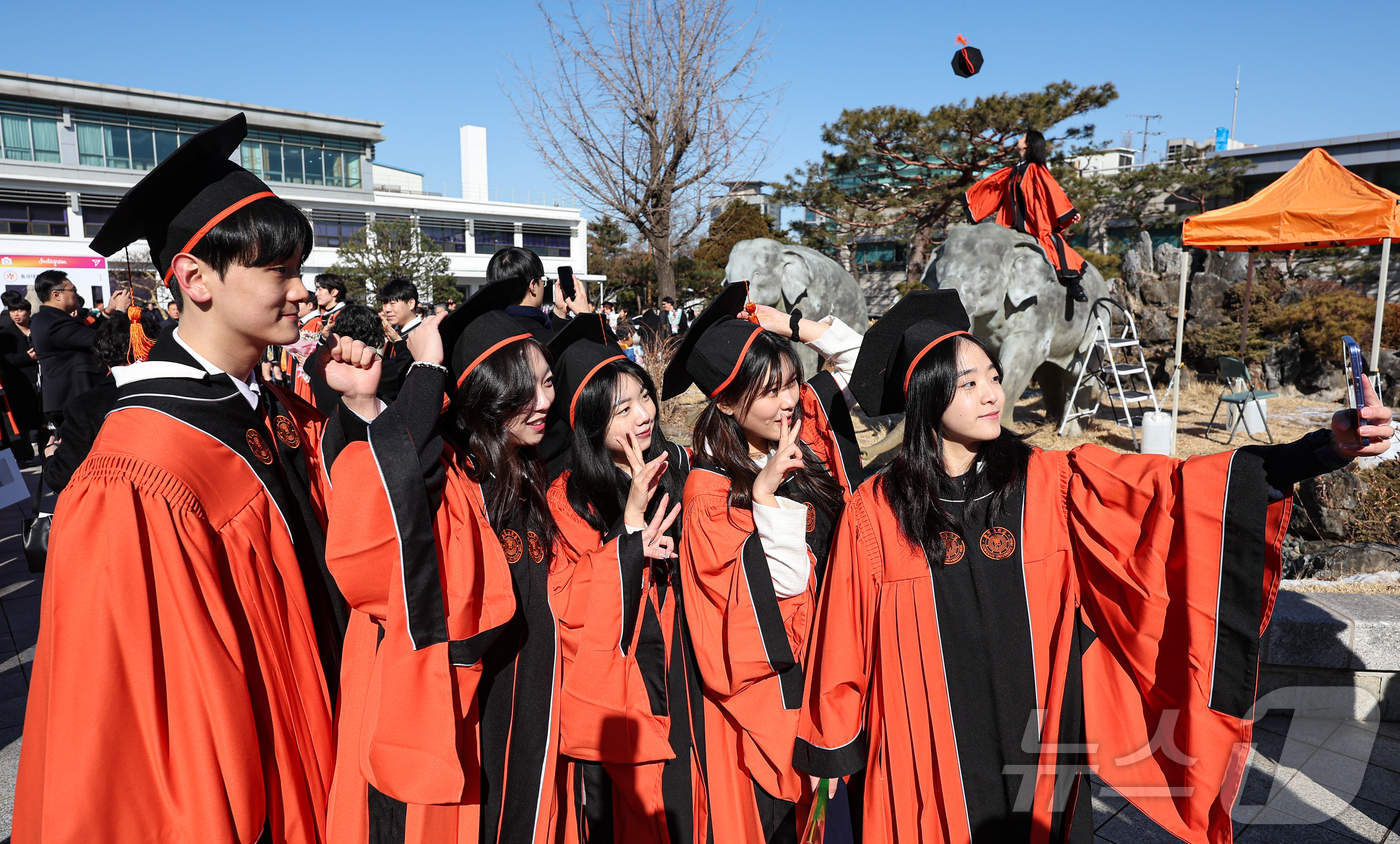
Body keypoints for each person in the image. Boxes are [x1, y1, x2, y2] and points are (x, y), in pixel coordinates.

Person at [794, 289, 1397, 844]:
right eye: (968, 382)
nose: (992, 394)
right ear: (926, 394)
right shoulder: (878, 508)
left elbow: (1176, 493)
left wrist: (1320, 450)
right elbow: (847, 630)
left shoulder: (1049, 481)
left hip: (1040, 734)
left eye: (994, 377)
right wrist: (835, 752)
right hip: (925, 744)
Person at [14, 113, 384, 844]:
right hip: (261, 783)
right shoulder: (141, 462)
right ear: (195, 279)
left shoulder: (277, 408)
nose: (302, 291)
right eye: (279, 271)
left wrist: (363, 415)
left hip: (334, 743)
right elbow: (151, 724)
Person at [324, 287, 567, 844]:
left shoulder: (524, 470)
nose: (542, 401)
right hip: (445, 711)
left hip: (517, 701)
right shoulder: (448, 480)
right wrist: (416, 376)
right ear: (483, 397)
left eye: (547, 381)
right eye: (520, 389)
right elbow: (386, 493)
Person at [660, 282, 863, 843]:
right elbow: (771, 606)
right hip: (782, 693)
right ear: (725, 403)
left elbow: (860, 362)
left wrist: (793, 330)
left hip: (833, 667)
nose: (789, 401)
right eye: (769, 391)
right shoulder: (709, 493)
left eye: (790, 383)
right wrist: (768, 500)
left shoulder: (792, 434)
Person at [543, 315, 707, 843]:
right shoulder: (568, 497)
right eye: (622, 408)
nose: (643, 415)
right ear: (590, 423)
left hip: (685, 662)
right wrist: (631, 525)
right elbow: (573, 606)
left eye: (644, 397)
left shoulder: (677, 465)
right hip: (626, 684)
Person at [42, 308, 163, 494]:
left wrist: (51, 456)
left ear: (104, 354)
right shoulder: (187, 390)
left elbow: (61, 477)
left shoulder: (85, 406)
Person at [964, 129, 1089, 302]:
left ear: (1028, 144)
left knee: (1054, 242)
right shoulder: (1010, 172)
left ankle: (1073, 283)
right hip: (1009, 225)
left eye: (1022, 137)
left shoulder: (1036, 170)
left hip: (1034, 224)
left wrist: (1069, 211)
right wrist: (974, 204)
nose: (1018, 139)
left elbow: (1053, 191)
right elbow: (992, 189)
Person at [29, 270, 131, 428]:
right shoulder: (54, 322)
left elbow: (86, 335)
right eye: (73, 290)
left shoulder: (49, 318)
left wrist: (109, 311)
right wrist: (120, 312)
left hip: (68, 398)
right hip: (71, 398)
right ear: (56, 295)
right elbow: (100, 340)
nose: (76, 295)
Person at [486, 246, 591, 341]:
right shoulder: (543, 341)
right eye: (542, 280)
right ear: (532, 286)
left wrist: (559, 314)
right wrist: (588, 318)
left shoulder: (484, 334)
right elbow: (603, 354)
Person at [0, 297, 45, 463]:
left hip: (42, 380)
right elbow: (6, 359)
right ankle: (25, 455)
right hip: (19, 383)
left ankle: (46, 452)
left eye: (20, 310)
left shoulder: (38, 327)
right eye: (13, 311)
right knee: (22, 422)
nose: (16, 314)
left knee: (43, 421)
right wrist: (27, 357)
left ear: (28, 311)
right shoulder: (6, 334)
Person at [377, 277, 424, 402]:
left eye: (392, 303)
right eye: (384, 303)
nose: (387, 309)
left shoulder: (424, 333)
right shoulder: (393, 333)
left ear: (411, 303)